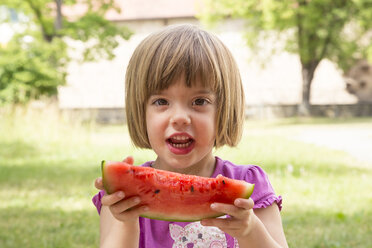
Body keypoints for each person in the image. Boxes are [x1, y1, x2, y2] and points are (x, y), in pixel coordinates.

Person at [92, 24, 288, 248]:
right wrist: (126, 223)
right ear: (141, 111)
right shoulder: (121, 197)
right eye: (161, 102)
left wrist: (250, 230)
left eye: (199, 102)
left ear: (223, 110)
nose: (180, 118)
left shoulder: (250, 184)